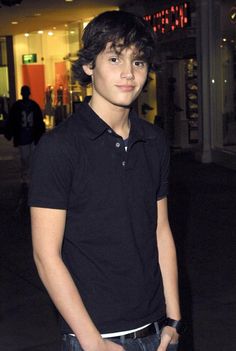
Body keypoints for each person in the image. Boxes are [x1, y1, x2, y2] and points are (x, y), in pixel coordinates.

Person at [29, 10, 184, 351]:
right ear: (88, 65)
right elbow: (46, 255)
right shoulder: (59, 148)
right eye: (115, 58)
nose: (129, 73)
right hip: (97, 336)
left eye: (138, 62)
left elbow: (160, 230)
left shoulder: (154, 141)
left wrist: (173, 319)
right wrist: (91, 341)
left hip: (159, 330)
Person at [4, 85, 45, 186]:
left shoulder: (21, 106)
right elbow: (12, 121)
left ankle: (27, 175)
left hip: (30, 136)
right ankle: (26, 175)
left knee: (29, 158)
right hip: (25, 136)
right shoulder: (28, 105)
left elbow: (39, 122)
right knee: (26, 158)